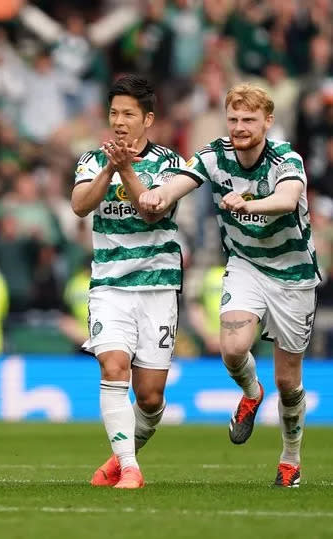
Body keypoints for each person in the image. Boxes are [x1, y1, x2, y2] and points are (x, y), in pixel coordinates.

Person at [139, 83, 320, 487]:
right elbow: (181, 180)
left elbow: (288, 199)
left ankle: (290, 457)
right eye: (234, 118)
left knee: (289, 383)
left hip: (293, 274)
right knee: (234, 348)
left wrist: (248, 203)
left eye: (249, 120)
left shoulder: (285, 158)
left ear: (267, 122)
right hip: (246, 265)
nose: (239, 127)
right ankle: (252, 394)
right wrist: (158, 197)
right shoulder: (214, 155)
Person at [70, 75, 185, 490]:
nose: (119, 121)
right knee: (113, 366)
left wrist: (127, 171)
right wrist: (109, 169)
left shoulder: (171, 164)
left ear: (147, 119)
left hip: (157, 287)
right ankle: (130, 468)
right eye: (114, 112)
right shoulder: (90, 160)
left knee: (150, 396)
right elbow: (81, 206)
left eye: (128, 114)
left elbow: (152, 210)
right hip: (110, 286)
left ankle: (121, 458)